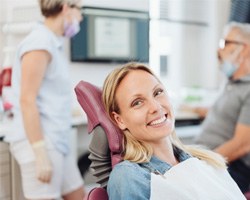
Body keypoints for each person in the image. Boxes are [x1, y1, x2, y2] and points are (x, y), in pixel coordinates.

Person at [102, 62, 246, 200]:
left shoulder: (207, 161)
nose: (156, 107)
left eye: (158, 92)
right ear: (119, 120)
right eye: (137, 102)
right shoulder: (130, 176)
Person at [4, 0, 86, 199]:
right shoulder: (39, 43)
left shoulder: (52, 42)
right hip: (40, 141)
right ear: (66, 7)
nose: (81, 17)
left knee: (78, 194)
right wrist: (39, 154)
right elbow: (26, 100)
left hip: (57, 138)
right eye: (80, 10)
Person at [193, 22, 250, 193]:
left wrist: (200, 164)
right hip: (208, 157)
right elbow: (224, 114)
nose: (219, 51)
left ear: (246, 49)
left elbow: (242, 144)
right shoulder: (232, 84)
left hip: (230, 166)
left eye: (225, 43)